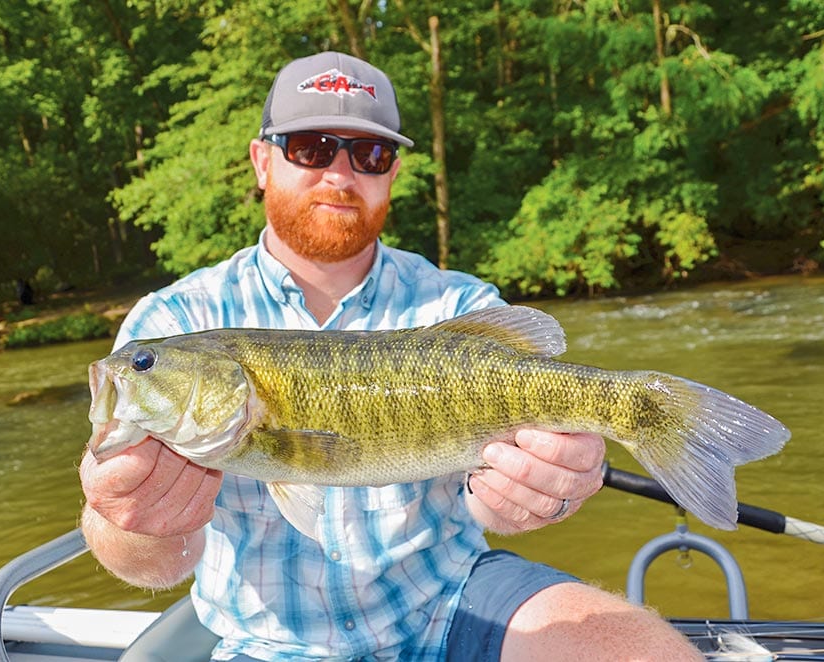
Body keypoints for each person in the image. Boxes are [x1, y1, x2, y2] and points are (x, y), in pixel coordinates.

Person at [79, 51, 701, 661]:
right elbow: (152, 564)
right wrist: (131, 521)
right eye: (311, 148)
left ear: (392, 174)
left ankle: (651, 419)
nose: (340, 174)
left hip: (453, 596)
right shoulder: (175, 321)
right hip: (271, 644)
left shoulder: (457, 305)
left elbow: (486, 503)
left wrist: (542, 492)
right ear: (262, 161)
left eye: (369, 154)